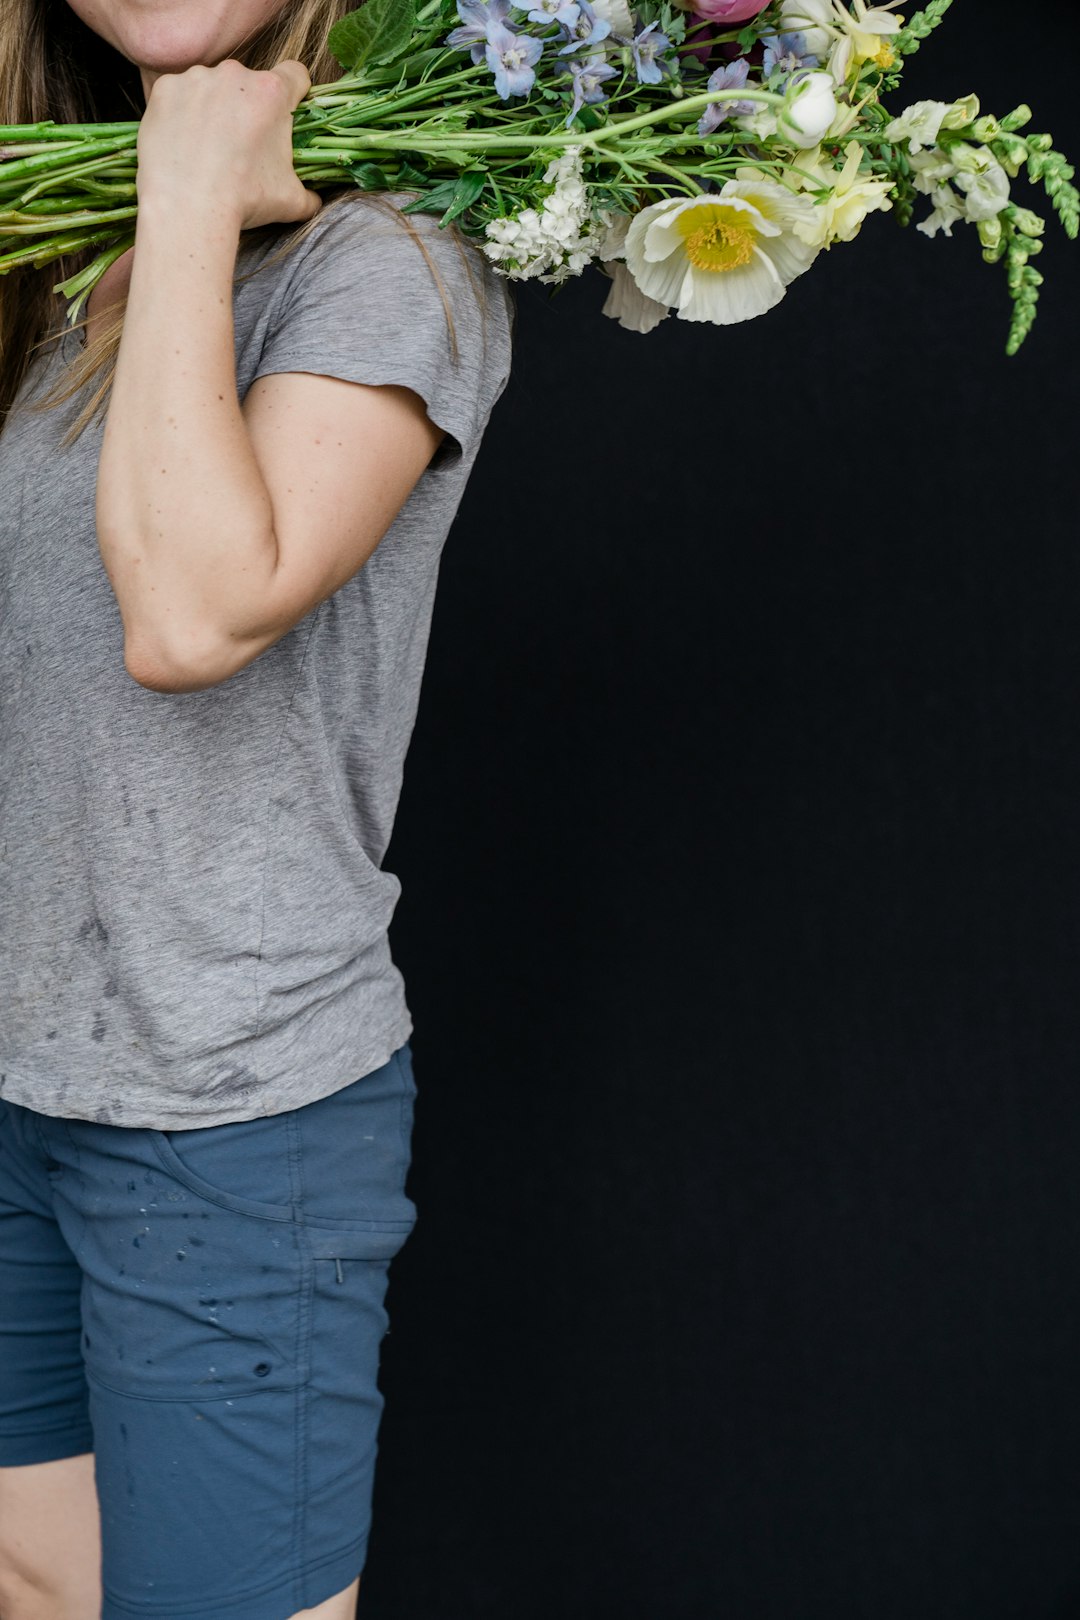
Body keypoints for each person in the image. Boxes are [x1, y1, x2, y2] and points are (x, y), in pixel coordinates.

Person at [0, 0, 514, 1615]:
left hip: (225, 1111)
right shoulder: (52, 229)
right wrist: (150, 194)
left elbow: (193, 616)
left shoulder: (391, 259)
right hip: (15, 1064)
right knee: (37, 1584)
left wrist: (193, 194)